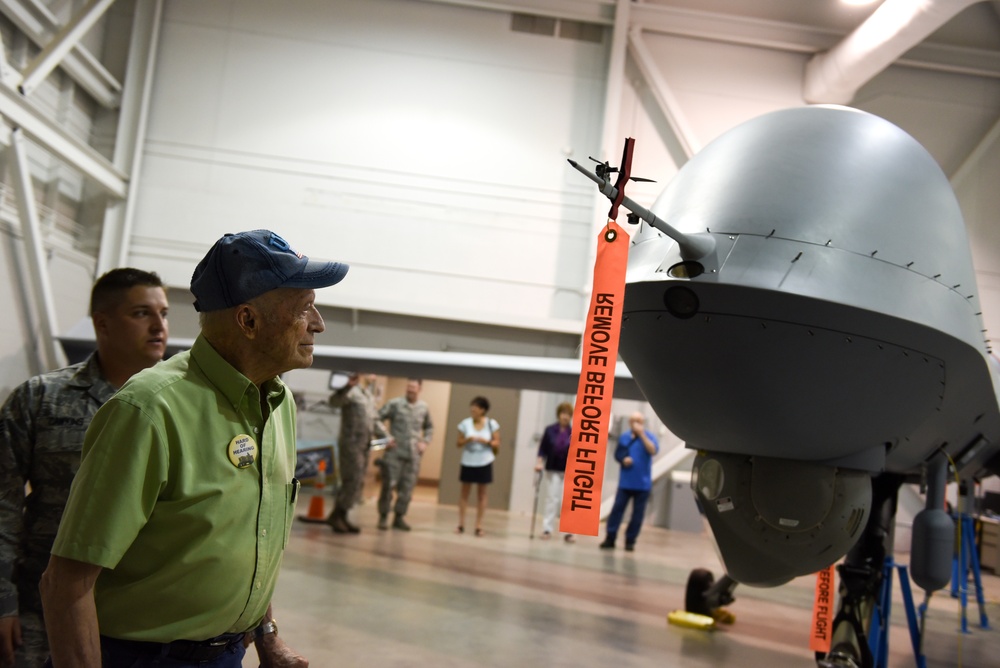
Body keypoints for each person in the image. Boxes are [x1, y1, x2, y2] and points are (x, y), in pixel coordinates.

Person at [40, 229, 347, 667]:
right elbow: (65, 584)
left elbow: (252, 539)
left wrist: (268, 638)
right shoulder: (149, 409)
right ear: (248, 321)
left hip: (225, 655)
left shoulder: (278, 404)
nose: (318, 324)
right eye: (304, 309)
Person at [0, 268, 168, 668]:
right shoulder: (40, 399)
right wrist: (2, 602)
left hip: (142, 617)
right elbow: (3, 508)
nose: (160, 326)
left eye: (163, 313)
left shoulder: (180, 406)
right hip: (42, 608)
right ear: (103, 323)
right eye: (142, 313)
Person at [326, 373, 385, 533]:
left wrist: (387, 436)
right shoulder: (352, 390)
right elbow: (334, 402)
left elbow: (373, 420)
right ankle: (337, 516)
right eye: (370, 373)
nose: (373, 376)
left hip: (363, 445)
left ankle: (341, 515)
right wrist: (346, 388)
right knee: (351, 479)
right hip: (350, 444)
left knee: (357, 480)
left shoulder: (368, 395)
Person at [376, 379, 433, 531]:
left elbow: (429, 427)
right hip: (394, 453)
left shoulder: (423, 407)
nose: (410, 390)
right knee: (388, 486)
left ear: (419, 388)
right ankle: (383, 517)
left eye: (413, 387)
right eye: (408, 386)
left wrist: (425, 442)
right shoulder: (395, 404)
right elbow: (377, 419)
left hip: (413, 455)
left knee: (407, 489)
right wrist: (385, 438)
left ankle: (399, 517)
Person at [600, 412, 659, 552]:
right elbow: (618, 454)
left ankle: (630, 540)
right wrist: (623, 459)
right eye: (633, 421)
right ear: (630, 422)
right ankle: (610, 537)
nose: (636, 424)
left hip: (642, 484)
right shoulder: (624, 437)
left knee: (637, 514)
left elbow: (653, 450)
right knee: (617, 510)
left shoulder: (650, 437)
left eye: (639, 421)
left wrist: (642, 435)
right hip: (625, 483)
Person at [455, 396, 499, 537]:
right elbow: (458, 443)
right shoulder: (465, 424)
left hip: (484, 461)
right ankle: (461, 524)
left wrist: (486, 441)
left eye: (476, 407)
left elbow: (497, 443)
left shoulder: (492, 424)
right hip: (468, 461)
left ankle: (478, 525)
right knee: (464, 493)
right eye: (472, 406)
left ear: (483, 410)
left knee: (482, 494)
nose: (472, 409)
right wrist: (467, 439)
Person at [535, 402, 574, 543]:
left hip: (569, 471)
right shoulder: (550, 430)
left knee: (568, 500)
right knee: (552, 498)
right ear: (558, 415)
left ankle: (569, 532)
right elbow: (542, 448)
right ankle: (547, 528)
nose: (565, 417)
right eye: (563, 413)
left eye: (568, 414)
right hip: (552, 468)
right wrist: (539, 462)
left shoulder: (574, 432)